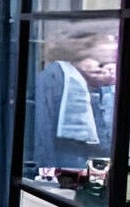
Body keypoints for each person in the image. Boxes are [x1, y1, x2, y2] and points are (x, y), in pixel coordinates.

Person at [27, 28, 117, 172]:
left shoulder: (102, 88)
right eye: (101, 63)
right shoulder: (55, 79)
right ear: (78, 59)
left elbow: (106, 139)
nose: (107, 69)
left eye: (112, 63)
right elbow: (42, 130)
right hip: (60, 165)